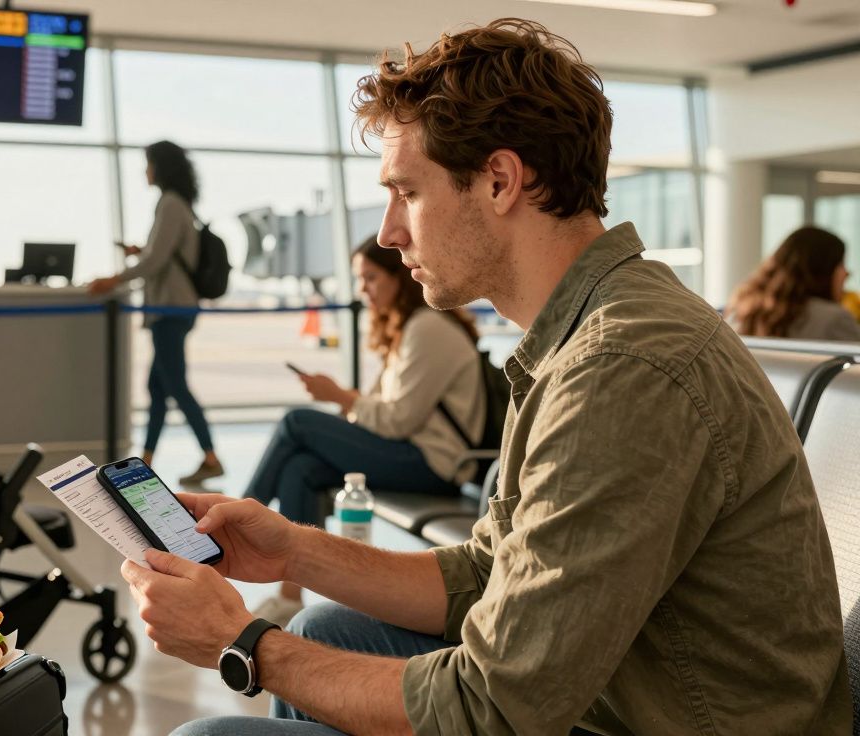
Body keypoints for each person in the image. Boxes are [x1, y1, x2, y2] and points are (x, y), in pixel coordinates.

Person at [120, 19, 849, 736]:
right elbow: (487, 573)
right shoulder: (586, 331)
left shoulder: (621, 369)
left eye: (407, 191)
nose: (387, 231)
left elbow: (496, 710)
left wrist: (245, 645)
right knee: (329, 623)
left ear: (500, 180)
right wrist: (293, 549)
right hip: (620, 687)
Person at [246, 236, 484, 626]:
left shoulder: (428, 328)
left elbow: (397, 420)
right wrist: (348, 404)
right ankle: (289, 597)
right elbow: (381, 413)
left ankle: (240, 517)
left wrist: (341, 398)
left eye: (370, 278)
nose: (363, 290)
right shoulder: (410, 328)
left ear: (398, 277)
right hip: (409, 453)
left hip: (433, 464)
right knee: (301, 468)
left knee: (297, 422)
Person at [89, 141, 222, 486]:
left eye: (148, 164)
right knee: (159, 387)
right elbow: (163, 255)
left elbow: (155, 261)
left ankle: (210, 457)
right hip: (174, 308)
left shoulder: (170, 204)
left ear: (160, 167)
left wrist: (114, 279)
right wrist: (140, 251)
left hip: (171, 309)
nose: (144, 171)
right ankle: (145, 461)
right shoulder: (180, 205)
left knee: (175, 385)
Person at [726, 226, 860, 341]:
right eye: (841, 263)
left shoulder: (744, 311)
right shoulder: (835, 319)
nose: (847, 273)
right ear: (824, 268)